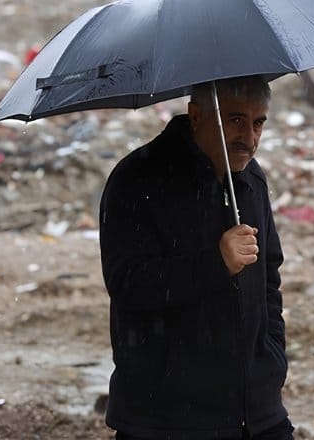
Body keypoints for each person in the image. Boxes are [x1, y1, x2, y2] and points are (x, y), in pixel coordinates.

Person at [99, 75, 293, 440]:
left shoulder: (251, 179)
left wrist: (271, 359)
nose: (249, 139)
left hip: (259, 414)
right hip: (168, 419)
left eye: (258, 123)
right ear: (196, 116)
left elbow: (269, 277)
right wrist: (215, 263)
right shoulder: (138, 180)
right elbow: (128, 285)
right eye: (235, 120)